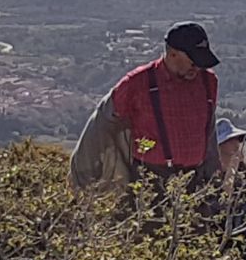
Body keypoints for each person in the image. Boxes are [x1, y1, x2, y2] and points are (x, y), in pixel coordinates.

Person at [69, 21, 222, 195]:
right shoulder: (137, 83)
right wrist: (85, 176)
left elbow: (208, 130)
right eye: (193, 62)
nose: (198, 68)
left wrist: (214, 177)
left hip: (196, 180)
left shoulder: (208, 82)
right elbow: (102, 123)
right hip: (150, 182)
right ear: (172, 54)